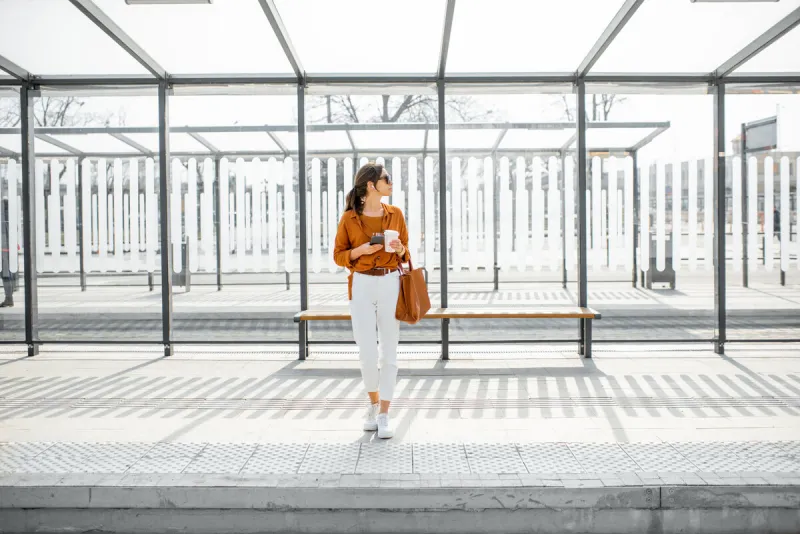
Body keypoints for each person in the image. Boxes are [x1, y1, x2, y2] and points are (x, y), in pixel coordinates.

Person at [333, 162, 410, 439]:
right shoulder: (349, 219)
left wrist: (401, 249)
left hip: (391, 281)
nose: (391, 182)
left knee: (389, 349)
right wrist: (360, 251)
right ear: (370, 185)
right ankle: (373, 403)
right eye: (386, 178)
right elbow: (339, 255)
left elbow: (407, 254)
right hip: (362, 283)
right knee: (366, 352)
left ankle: (385, 413)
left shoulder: (396, 214)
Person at [1, 198, 15, 308]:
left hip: (4, 248)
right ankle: (9, 298)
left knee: (5, 273)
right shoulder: (10, 219)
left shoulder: (4, 219)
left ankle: (9, 298)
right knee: (5, 273)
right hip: (6, 248)